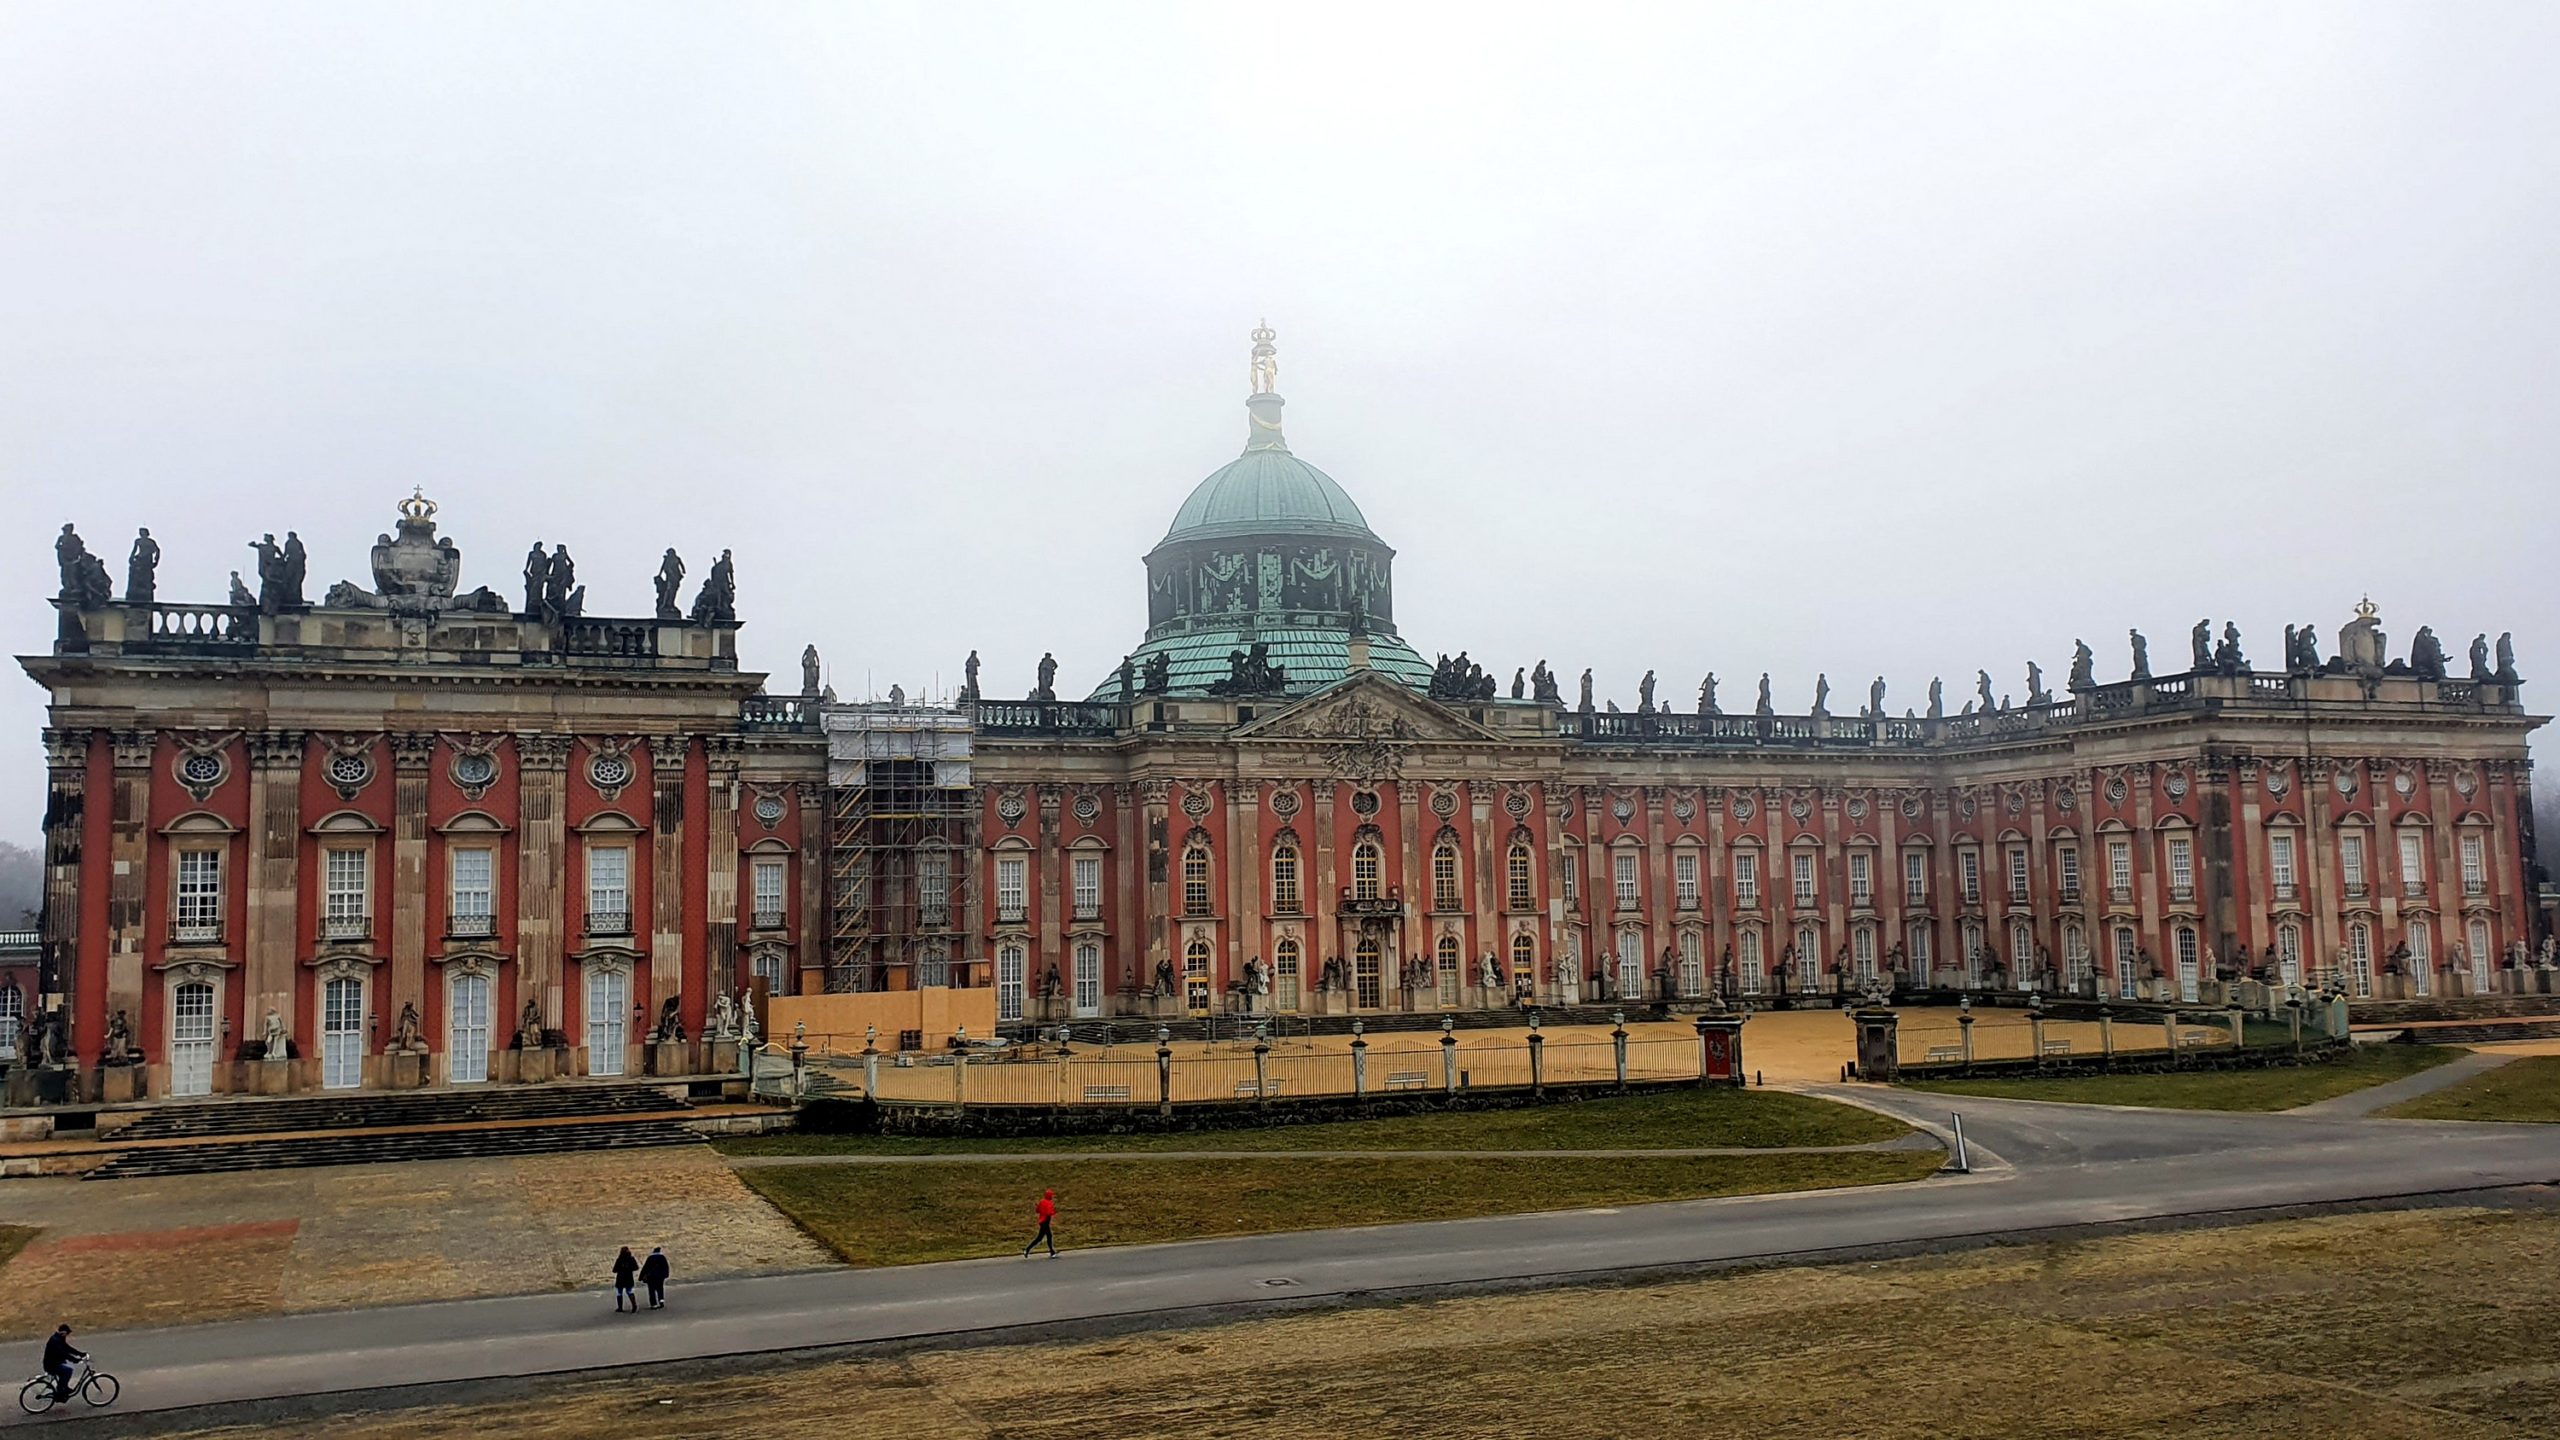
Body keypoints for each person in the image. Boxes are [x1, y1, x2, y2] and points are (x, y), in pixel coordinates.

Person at [41, 1324, 83, 1403]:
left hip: (55, 1362)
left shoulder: (59, 1338)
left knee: (66, 1372)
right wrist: (74, 1360)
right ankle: (60, 1392)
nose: (67, 1335)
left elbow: (68, 1348)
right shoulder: (55, 1341)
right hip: (51, 1365)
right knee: (68, 1371)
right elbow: (63, 1353)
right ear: (63, 1332)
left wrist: (80, 1354)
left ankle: (64, 1387)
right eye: (67, 1333)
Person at [1021, 1188, 1058, 1258]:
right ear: (1049, 1196)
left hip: (1042, 1221)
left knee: (1045, 1237)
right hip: (1046, 1221)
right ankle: (1027, 1249)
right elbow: (1049, 1213)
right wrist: (1053, 1212)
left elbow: (1037, 1210)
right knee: (1042, 1237)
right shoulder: (1049, 1203)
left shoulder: (1042, 1201)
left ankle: (1052, 1251)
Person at [612, 1246, 640, 1313]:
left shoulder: (619, 1259)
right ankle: (634, 1305)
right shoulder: (631, 1259)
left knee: (619, 1293)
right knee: (630, 1292)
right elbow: (636, 1267)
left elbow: (614, 1270)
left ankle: (620, 1307)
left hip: (620, 1278)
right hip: (629, 1277)